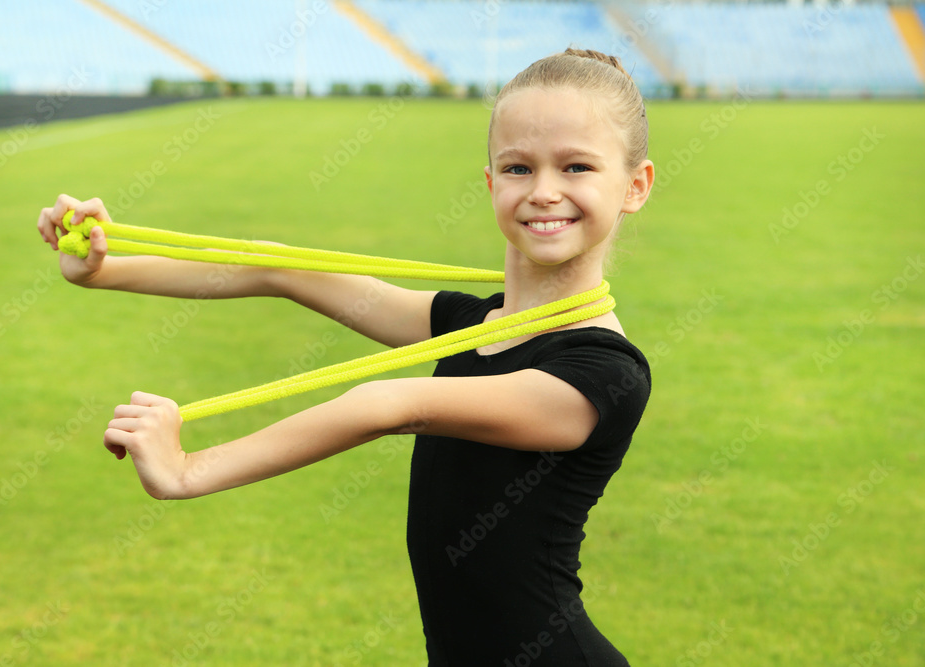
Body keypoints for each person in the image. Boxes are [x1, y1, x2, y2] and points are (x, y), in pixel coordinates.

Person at [37, 48, 654, 666]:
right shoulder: (473, 326)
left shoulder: (603, 374)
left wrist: (187, 470)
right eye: (518, 167)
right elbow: (278, 267)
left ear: (635, 186)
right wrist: (102, 269)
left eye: (576, 167)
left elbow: (393, 404)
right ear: (492, 182)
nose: (543, 191)